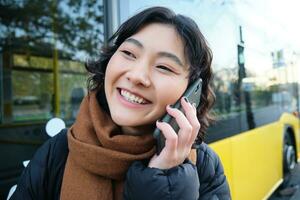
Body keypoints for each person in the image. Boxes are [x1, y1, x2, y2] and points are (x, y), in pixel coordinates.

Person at [11, 6, 231, 200]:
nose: (136, 76)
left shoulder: (203, 165)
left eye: (164, 67)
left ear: (191, 91)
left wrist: (167, 183)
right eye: (128, 53)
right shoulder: (57, 153)